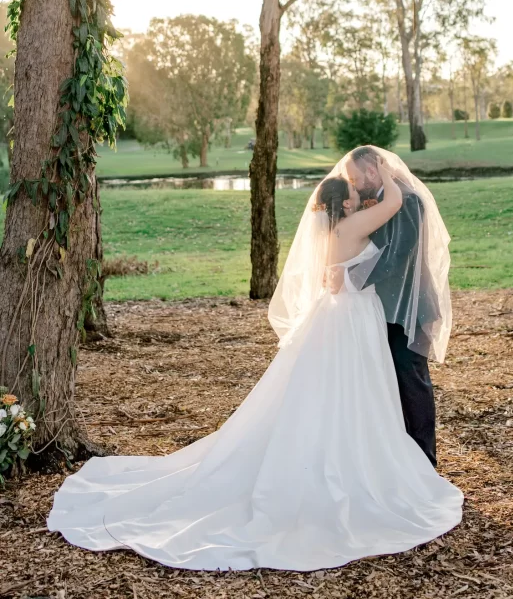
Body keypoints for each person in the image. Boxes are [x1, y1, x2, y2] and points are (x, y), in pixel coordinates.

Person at [47, 149, 462, 572]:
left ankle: (368, 458)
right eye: (353, 188)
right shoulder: (364, 217)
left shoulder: (331, 231)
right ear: (347, 205)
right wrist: (390, 175)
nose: (358, 190)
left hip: (338, 318)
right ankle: (380, 466)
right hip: (353, 320)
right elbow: (387, 213)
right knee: (359, 390)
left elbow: (385, 250)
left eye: (359, 181)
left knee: (338, 391)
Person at [344, 146, 446, 467]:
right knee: (390, 386)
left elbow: (396, 257)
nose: (355, 184)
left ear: (372, 172)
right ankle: (402, 463)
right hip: (384, 311)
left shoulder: (408, 200)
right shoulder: (379, 201)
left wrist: (351, 278)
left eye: (356, 178)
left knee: (412, 384)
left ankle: (425, 463)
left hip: (411, 311)